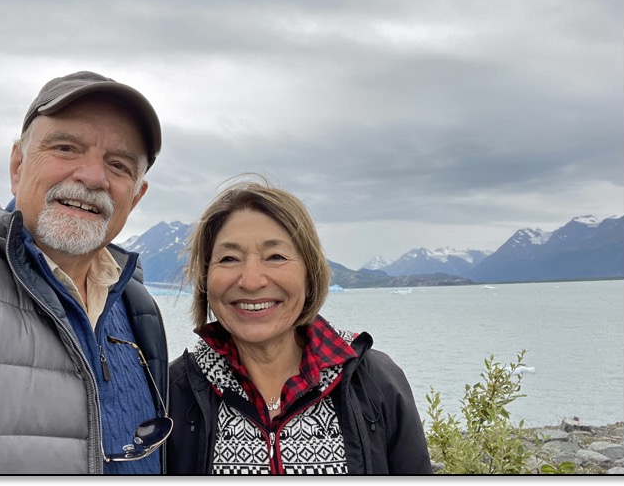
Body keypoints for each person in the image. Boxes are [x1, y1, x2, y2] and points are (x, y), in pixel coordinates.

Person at [0, 71, 172, 475]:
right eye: (66, 147)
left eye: (119, 165)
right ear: (17, 165)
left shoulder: (138, 310)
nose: (93, 176)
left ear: (136, 195)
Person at [166, 178, 432, 475]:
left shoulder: (374, 381)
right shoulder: (173, 392)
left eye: (276, 256)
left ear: (309, 272)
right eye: (229, 258)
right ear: (205, 278)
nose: (251, 280)